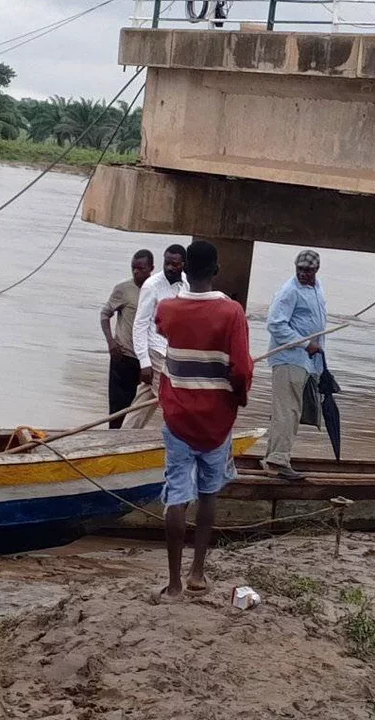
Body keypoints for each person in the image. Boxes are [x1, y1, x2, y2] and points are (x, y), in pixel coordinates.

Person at [155, 240, 253, 600]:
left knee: (177, 494)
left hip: (178, 417)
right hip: (216, 422)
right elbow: (242, 370)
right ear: (216, 270)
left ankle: (174, 585)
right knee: (209, 493)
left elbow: (163, 329)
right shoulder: (232, 313)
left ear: (183, 270)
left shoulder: (167, 308)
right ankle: (198, 573)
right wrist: (237, 400)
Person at [262, 249, 327, 480]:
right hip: (289, 359)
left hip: (305, 362)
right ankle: (278, 461)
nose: (302, 274)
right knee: (287, 411)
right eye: (299, 269)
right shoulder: (289, 291)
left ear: (316, 270)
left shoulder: (316, 288)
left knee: (289, 410)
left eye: (307, 270)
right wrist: (305, 344)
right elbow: (275, 324)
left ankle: (273, 459)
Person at [126, 244, 188, 428]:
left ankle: (125, 434)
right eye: (167, 263)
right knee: (174, 399)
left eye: (174, 264)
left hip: (175, 351)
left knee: (146, 398)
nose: (169, 268)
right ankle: (183, 438)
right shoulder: (151, 286)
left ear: (183, 264)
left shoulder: (187, 284)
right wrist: (144, 362)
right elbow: (140, 324)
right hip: (156, 351)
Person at [100, 250, 154, 428]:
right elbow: (105, 314)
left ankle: (129, 442)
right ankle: (112, 443)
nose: (136, 272)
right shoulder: (123, 289)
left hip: (146, 361)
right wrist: (111, 343)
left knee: (137, 409)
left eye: (141, 268)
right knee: (117, 408)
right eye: (133, 268)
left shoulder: (156, 290)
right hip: (123, 357)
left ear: (151, 269)